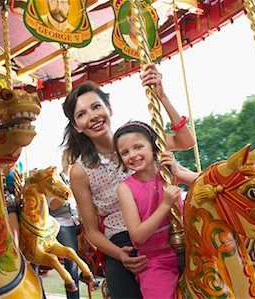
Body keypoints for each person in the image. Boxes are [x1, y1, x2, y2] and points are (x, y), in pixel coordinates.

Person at [61, 63, 195, 299]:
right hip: (127, 243)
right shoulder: (80, 171)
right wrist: (119, 254)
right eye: (81, 114)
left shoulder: (136, 141)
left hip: (168, 225)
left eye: (96, 107)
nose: (92, 116)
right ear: (76, 126)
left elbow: (186, 141)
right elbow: (91, 231)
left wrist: (162, 96)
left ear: (109, 109)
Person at [113, 121, 198, 298]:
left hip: (191, 249)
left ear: (153, 147)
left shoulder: (167, 172)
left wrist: (179, 173)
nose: (133, 155)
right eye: (125, 152)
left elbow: (208, 184)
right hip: (155, 261)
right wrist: (165, 205)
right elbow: (138, 235)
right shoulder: (125, 188)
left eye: (138, 147)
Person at [49, 150, 82, 299]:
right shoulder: (56, 180)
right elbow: (52, 206)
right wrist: (69, 192)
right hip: (62, 222)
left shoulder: (81, 178)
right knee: (71, 261)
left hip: (78, 220)